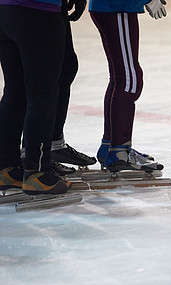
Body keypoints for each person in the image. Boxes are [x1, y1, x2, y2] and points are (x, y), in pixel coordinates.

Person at [0, 0, 71, 194]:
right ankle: (37, 172)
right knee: (42, 96)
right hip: (39, 11)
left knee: (15, 92)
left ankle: (6, 167)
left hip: (6, 10)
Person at [89, 0, 167, 173]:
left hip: (112, 8)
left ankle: (110, 146)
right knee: (130, 80)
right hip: (117, 7)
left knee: (120, 78)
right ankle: (119, 152)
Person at [50, 0, 97, 173]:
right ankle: (32, 156)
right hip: (35, 7)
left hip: (50, 6)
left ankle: (51, 144)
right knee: (41, 75)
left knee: (65, 67)